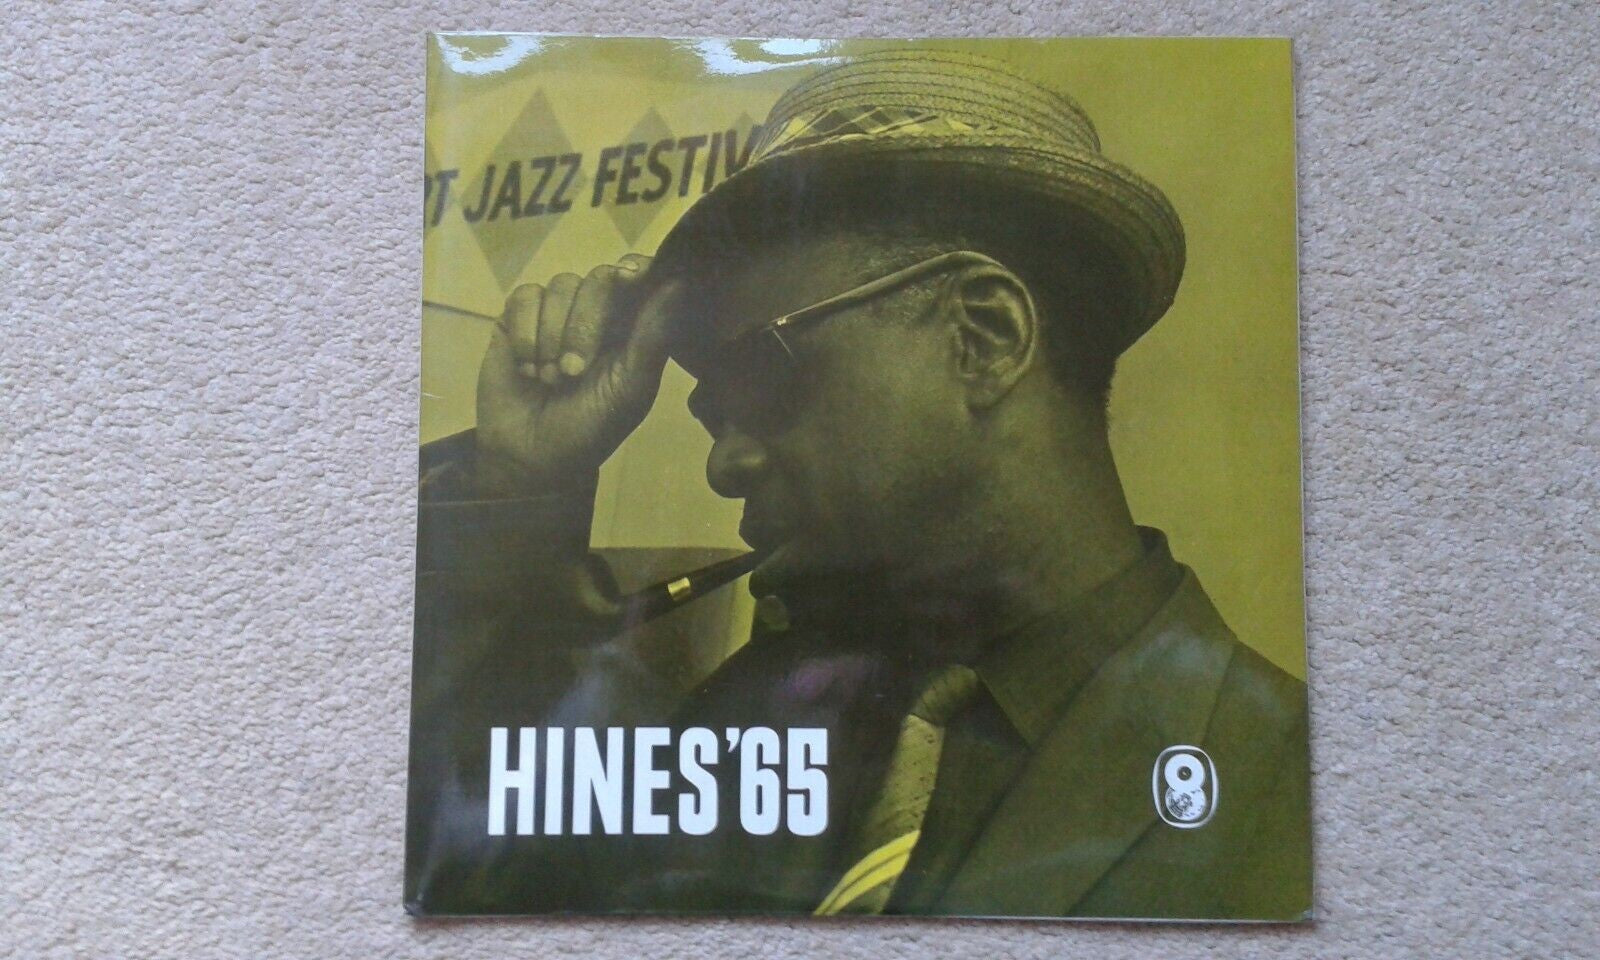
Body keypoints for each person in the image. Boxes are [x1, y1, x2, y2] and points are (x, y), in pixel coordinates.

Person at [406, 50, 1311, 920]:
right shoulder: (750, 714)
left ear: (986, 337)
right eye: (714, 413)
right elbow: (470, 890)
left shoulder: (1292, 788)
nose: (724, 464)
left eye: (765, 377)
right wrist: (517, 483)